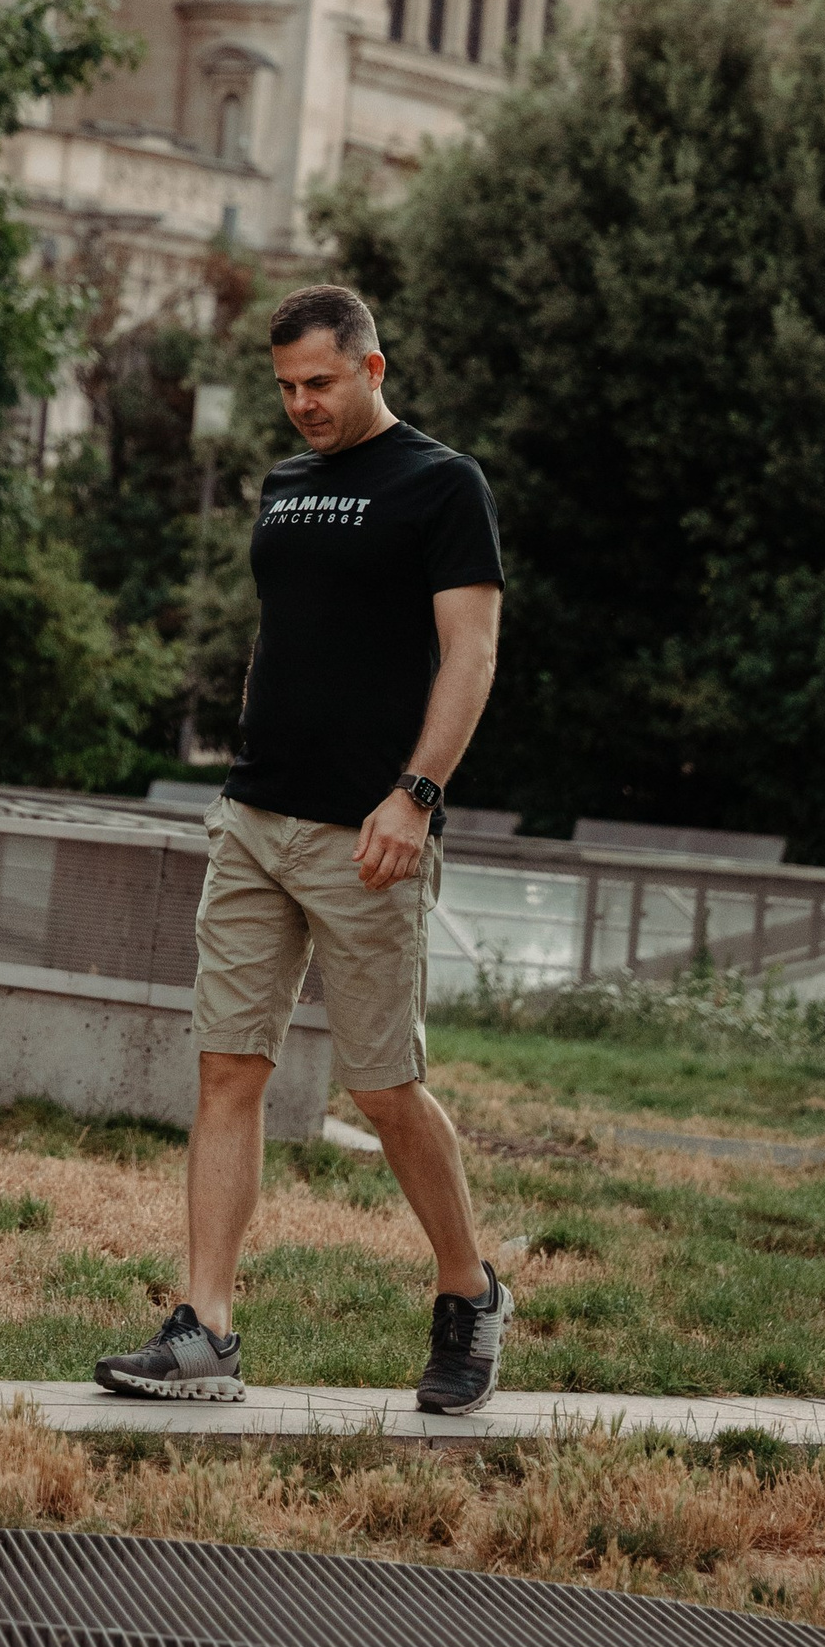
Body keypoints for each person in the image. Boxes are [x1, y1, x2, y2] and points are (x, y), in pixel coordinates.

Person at [95, 283, 509, 1415]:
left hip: (369, 830)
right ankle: (205, 1329)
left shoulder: (441, 484)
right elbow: (288, 634)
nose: (300, 405)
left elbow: (469, 657)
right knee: (228, 1066)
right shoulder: (285, 484)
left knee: (382, 1086)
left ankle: (468, 1289)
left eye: (318, 382)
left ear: (373, 367)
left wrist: (414, 795)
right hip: (256, 816)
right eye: (284, 386)